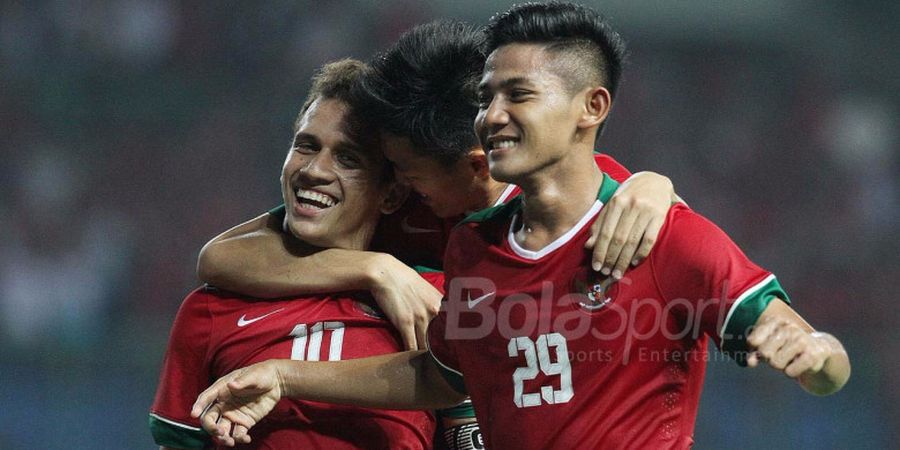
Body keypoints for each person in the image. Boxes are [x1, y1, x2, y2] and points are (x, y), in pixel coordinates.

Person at [191, 3, 850, 449]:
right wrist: (286, 375)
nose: (494, 113)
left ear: (591, 107)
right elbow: (442, 374)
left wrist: (816, 355)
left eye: (519, 96)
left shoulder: (657, 232)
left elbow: (792, 335)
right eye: (487, 97)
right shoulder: (472, 249)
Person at [196, 20, 681, 352]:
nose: (397, 181)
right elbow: (221, 258)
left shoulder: (570, 196)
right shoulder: (398, 206)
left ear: (475, 166)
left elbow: (675, 240)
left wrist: (655, 187)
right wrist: (376, 268)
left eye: (405, 167)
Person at [150, 59, 437, 449]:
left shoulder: (426, 296)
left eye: (348, 158)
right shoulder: (210, 310)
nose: (315, 170)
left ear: (392, 194)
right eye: (306, 146)